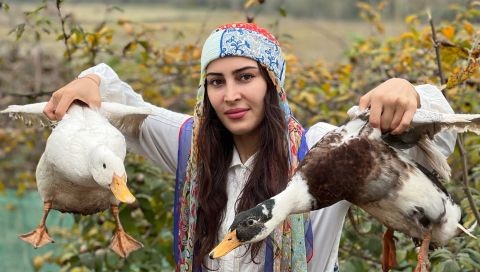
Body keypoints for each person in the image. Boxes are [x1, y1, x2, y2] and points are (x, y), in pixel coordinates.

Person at [43, 23, 456, 272]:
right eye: (216, 81)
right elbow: (123, 107)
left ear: (272, 84)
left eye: (245, 77)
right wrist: (91, 80)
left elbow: (439, 137)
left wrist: (410, 94)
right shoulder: (189, 143)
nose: (230, 95)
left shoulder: (324, 152)